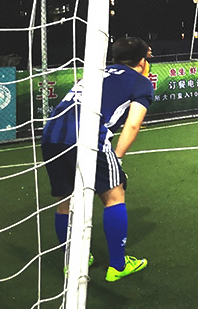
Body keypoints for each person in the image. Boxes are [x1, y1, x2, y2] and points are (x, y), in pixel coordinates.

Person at [41, 37, 152, 282]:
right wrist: (117, 158)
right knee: (114, 196)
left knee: (66, 202)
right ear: (141, 61)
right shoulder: (141, 82)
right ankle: (118, 266)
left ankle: (73, 262)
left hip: (51, 135)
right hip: (88, 135)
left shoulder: (94, 73)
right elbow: (133, 125)